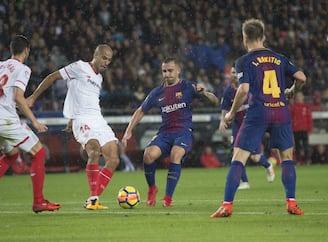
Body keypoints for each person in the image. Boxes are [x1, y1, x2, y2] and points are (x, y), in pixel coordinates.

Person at [211, 19, 306, 218]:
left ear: (245, 38)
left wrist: (230, 113)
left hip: (258, 112)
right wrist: (291, 90)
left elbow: (243, 90)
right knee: (286, 158)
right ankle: (291, 203)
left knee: (238, 158)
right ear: (263, 37)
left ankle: (227, 205)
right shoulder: (279, 58)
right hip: (280, 110)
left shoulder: (244, 61)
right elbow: (302, 78)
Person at [27, 44, 119, 210]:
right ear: (95, 55)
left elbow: (79, 93)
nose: (106, 62)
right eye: (104, 58)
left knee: (113, 159)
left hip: (98, 119)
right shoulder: (79, 66)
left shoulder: (99, 78)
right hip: (82, 120)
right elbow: (52, 77)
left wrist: (70, 115)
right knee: (94, 150)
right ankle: (93, 200)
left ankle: (94, 197)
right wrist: (33, 97)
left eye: (109, 60)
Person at [0, 35, 61, 214]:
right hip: (4, 119)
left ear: (11, 50)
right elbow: (18, 97)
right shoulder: (23, 69)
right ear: (27, 50)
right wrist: (34, 121)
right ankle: (38, 201)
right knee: (39, 152)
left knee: (12, 154)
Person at [122, 57, 219, 207]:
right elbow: (140, 110)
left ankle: (168, 197)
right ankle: (152, 188)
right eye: (164, 71)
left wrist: (205, 93)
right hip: (165, 133)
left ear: (178, 70)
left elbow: (215, 101)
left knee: (176, 154)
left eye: (170, 71)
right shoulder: (157, 92)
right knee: (148, 155)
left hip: (183, 132)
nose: (167, 74)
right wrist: (129, 130)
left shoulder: (188, 86)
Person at [219, 64, 275, 190]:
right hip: (237, 126)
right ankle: (244, 182)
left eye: (235, 72)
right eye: (232, 72)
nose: (234, 75)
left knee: (255, 157)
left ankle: (267, 165)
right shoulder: (228, 92)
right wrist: (223, 121)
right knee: (235, 152)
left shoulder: (249, 88)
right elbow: (224, 109)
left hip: (251, 125)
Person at [289, 91, 313, 165]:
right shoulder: (293, 107)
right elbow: (291, 119)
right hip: (296, 130)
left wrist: (309, 129)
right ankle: (299, 161)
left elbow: (309, 119)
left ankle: (307, 160)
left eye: (300, 96)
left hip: (304, 129)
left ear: (303, 97)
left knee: (306, 146)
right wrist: (291, 130)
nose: (299, 98)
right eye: (298, 96)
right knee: (298, 146)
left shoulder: (306, 107)